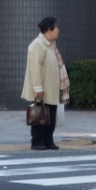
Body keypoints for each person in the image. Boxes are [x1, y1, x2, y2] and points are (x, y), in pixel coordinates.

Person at [22, 16, 68, 151]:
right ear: (49, 29)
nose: (58, 30)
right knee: (40, 115)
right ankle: (37, 141)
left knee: (50, 116)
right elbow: (35, 68)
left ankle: (48, 140)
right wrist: (37, 88)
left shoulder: (51, 45)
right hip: (43, 90)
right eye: (56, 27)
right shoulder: (38, 45)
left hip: (51, 89)